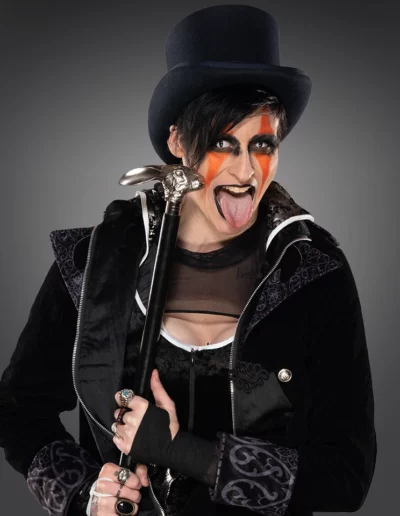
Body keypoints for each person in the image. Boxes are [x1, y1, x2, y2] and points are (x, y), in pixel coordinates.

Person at [0, 5, 377, 516]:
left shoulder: (311, 273)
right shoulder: (94, 265)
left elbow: (348, 476)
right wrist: (85, 496)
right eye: (223, 142)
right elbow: (18, 412)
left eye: (262, 144)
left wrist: (190, 454)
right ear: (177, 141)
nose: (246, 171)